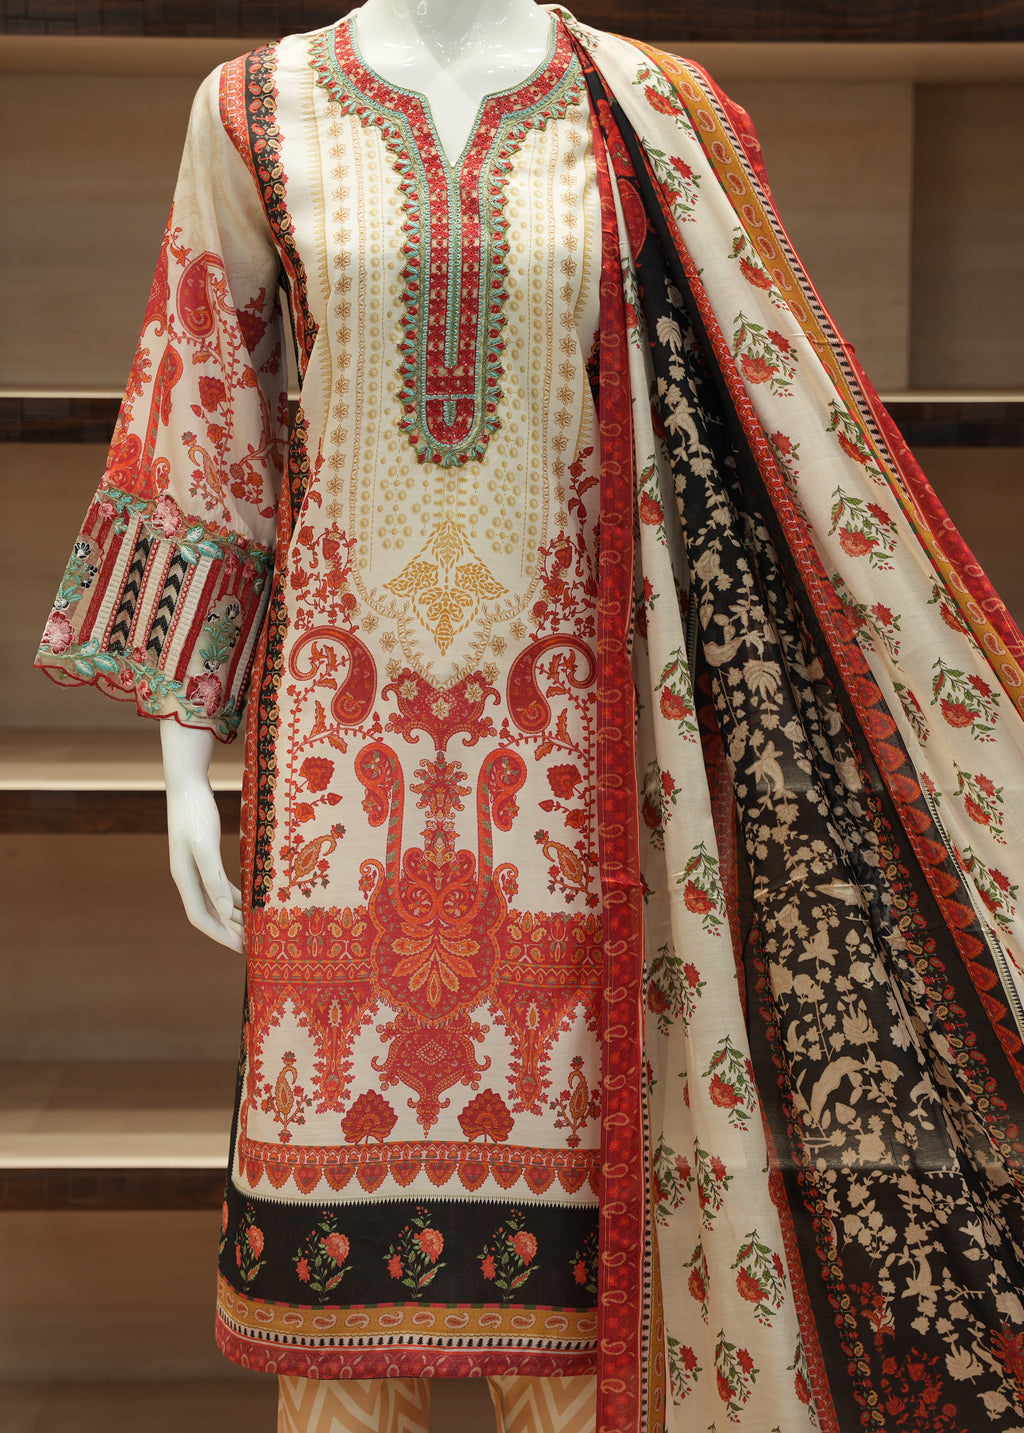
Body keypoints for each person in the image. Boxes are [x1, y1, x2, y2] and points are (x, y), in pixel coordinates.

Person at [36, 1, 1024, 1430]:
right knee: (334, 1295)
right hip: (338, 789)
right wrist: (187, 764)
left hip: (577, 782)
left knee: (572, 1285)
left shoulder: (655, 111)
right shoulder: (254, 109)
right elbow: (206, 420)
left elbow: (751, 438)